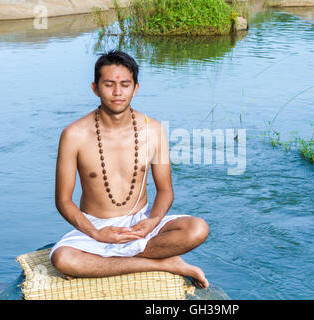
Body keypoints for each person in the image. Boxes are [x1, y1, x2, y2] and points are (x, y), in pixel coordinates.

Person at [49, 50, 209, 289]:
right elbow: (63, 200)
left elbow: (165, 190)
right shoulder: (74, 134)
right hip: (96, 226)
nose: (117, 92)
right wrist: (96, 233)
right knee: (63, 259)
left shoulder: (154, 130)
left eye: (125, 84)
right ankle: (163, 264)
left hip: (139, 224)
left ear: (136, 88)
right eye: (109, 84)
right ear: (95, 88)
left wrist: (152, 221)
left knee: (197, 229)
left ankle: (107, 263)